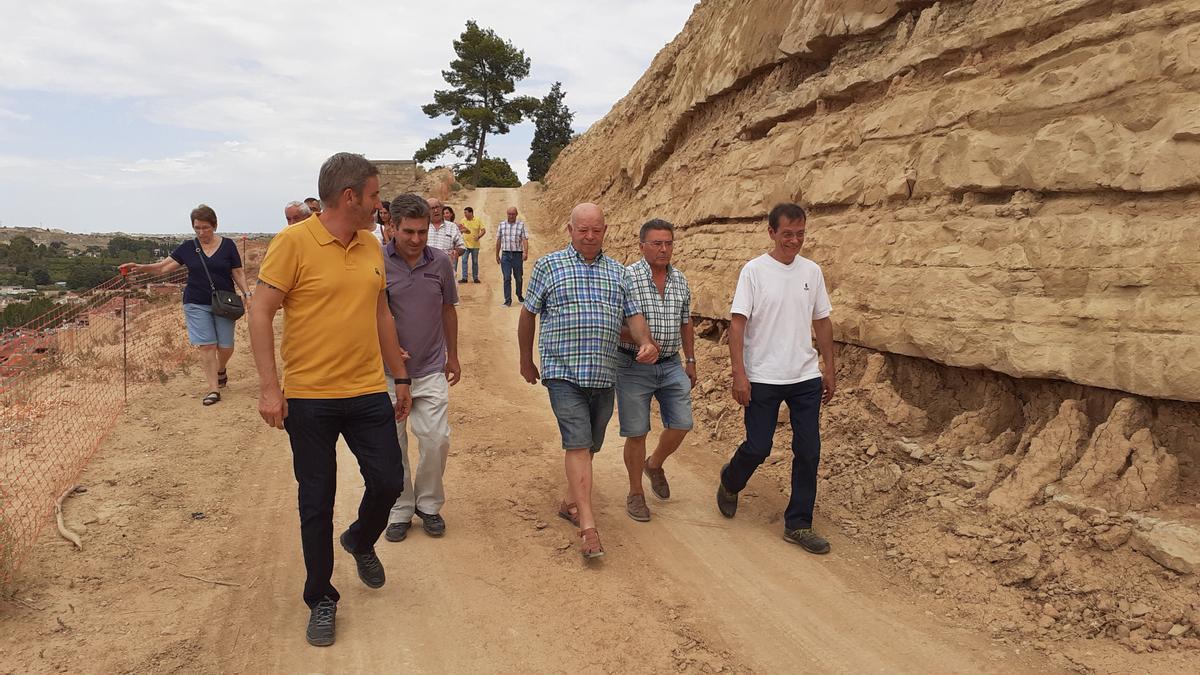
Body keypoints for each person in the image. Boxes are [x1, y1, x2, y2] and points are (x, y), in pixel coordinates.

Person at [250, 152, 413, 647]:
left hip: (366, 390)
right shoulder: (293, 243)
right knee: (315, 501)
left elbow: (382, 313)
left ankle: (360, 539)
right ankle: (321, 597)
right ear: (350, 197)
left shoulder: (371, 245)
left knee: (389, 479)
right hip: (310, 399)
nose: (378, 204)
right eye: (374, 196)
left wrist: (400, 377)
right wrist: (269, 388)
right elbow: (260, 313)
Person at [518, 203, 658, 559]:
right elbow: (528, 313)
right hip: (562, 372)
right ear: (570, 230)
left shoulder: (618, 273)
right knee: (578, 443)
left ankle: (569, 502)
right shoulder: (549, 266)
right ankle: (589, 527)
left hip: (603, 373)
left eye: (596, 230)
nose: (590, 236)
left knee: (591, 445)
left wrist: (644, 341)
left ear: (605, 230)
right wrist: (525, 359)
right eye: (583, 230)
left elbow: (635, 315)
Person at [716, 203, 836, 555]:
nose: (794, 241)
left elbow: (822, 321)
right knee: (758, 446)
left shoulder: (812, 272)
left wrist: (829, 366)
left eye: (800, 234)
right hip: (763, 375)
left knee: (809, 450)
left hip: (804, 376)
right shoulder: (754, 271)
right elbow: (737, 325)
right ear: (771, 232)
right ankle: (730, 479)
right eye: (787, 234)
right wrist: (739, 373)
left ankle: (798, 524)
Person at [380, 194, 462, 543]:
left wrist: (453, 355)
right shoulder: (376, 262)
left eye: (422, 232)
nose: (415, 240)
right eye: (408, 232)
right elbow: (368, 313)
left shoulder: (441, 262)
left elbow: (448, 309)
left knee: (435, 439)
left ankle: (428, 505)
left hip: (430, 368)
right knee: (391, 445)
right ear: (392, 228)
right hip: (384, 372)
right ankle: (399, 508)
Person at [121, 204, 250, 405]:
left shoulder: (228, 246)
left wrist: (247, 294)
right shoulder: (188, 247)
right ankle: (213, 389)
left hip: (224, 302)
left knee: (226, 346)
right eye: (197, 227)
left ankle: (221, 368)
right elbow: (163, 268)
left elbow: (237, 272)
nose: (201, 232)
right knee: (207, 345)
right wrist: (139, 267)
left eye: (205, 227)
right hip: (195, 302)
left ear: (215, 225)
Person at [615, 219, 696, 522]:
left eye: (669, 243)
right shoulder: (627, 278)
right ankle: (636, 493)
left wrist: (691, 360)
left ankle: (655, 463)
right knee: (637, 432)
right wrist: (642, 341)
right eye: (657, 243)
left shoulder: (680, 280)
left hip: (672, 363)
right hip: (632, 365)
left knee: (683, 423)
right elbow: (613, 323)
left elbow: (686, 321)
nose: (664, 249)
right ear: (642, 246)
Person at [494, 206, 528, 307]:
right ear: (507, 214)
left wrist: (525, 252)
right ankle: (507, 300)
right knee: (506, 277)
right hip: (505, 255)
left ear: (516, 214)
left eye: (513, 214)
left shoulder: (521, 225)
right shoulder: (502, 225)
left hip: (517, 255)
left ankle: (519, 294)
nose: (511, 216)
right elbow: (499, 240)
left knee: (518, 278)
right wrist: (497, 254)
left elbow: (525, 239)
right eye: (509, 214)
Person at [425, 197, 465, 266]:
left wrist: (456, 252)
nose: (436, 210)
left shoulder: (452, 226)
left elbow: (462, 247)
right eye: (432, 208)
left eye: (437, 207)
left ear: (441, 208)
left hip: (446, 269)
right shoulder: (423, 227)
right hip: (427, 270)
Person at [456, 205, 486, 283]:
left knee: (475, 262)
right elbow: (459, 229)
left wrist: (479, 236)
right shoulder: (463, 220)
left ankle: (475, 278)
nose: (464, 214)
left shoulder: (478, 220)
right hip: (465, 245)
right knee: (464, 260)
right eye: (464, 213)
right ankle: (464, 278)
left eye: (466, 213)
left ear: (471, 213)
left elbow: (483, 230)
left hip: (475, 245)